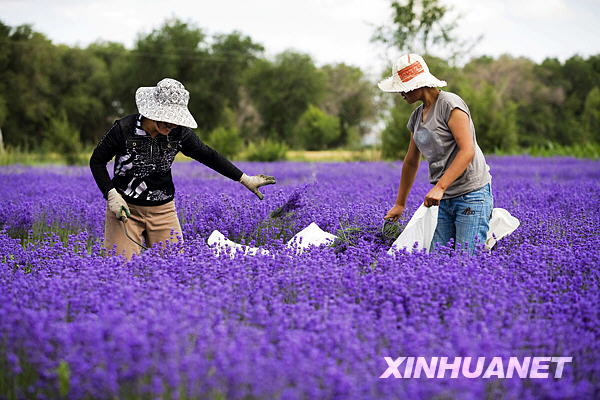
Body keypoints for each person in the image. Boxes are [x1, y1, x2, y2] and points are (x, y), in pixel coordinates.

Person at [90, 78, 275, 259]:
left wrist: (244, 178)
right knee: (119, 266)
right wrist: (111, 194)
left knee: (175, 267)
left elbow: (208, 155)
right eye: (166, 119)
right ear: (152, 111)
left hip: (163, 211)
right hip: (125, 209)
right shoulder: (124, 129)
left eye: (175, 119)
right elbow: (97, 161)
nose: (171, 125)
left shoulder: (179, 133)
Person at [380, 54, 493, 254]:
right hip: (444, 198)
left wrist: (440, 187)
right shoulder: (416, 117)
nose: (400, 94)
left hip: (471, 194)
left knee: (466, 259)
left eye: (402, 88)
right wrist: (400, 204)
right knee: (437, 261)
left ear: (417, 84)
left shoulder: (450, 105)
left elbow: (468, 150)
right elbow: (411, 161)